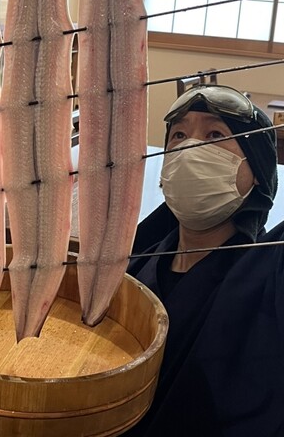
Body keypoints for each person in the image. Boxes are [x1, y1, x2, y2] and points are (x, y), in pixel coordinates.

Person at [124, 83, 283, 437]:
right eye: (179, 135)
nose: (190, 148)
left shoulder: (268, 275)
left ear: (257, 170)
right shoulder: (132, 267)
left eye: (215, 134)